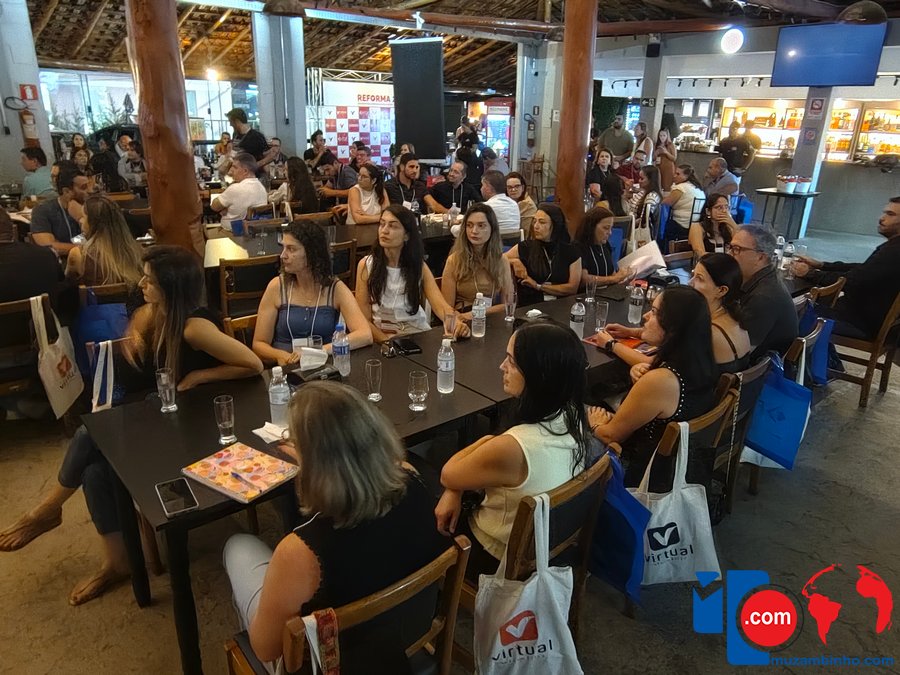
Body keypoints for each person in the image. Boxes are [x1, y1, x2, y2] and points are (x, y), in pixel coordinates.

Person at [0, 246, 263, 604]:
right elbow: (139, 331)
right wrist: (137, 329)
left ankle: (47, 510)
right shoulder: (156, 313)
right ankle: (117, 561)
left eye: (149, 280)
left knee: (90, 432)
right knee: (95, 470)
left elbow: (252, 364)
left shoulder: (194, 328)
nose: (141, 284)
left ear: (169, 286)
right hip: (167, 419)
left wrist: (201, 375)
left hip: (196, 434)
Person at [224, 381, 449, 667]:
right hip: (408, 633)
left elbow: (266, 648)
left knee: (237, 546)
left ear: (316, 465)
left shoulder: (299, 553)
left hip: (337, 665)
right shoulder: (413, 478)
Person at [434, 321, 592, 573]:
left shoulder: (514, 447)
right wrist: (456, 488)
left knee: (417, 489)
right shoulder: (572, 413)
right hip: (546, 545)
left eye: (511, 361)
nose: (502, 366)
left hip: (494, 555)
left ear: (537, 375)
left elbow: (448, 473)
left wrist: (487, 442)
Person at [589, 287, 717, 490]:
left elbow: (610, 436)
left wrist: (595, 424)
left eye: (655, 312)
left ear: (673, 328)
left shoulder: (661, 381)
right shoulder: (700, 361)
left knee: (579, 412)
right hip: (678, 464)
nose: (646, 316)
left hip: (642, 474)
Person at [600, 254, 751, 376]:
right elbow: (671, 336)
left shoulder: (708, 332)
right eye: (693, 275)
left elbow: (653, 364)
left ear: (721, 290)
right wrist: (631, 332)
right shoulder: (731, 318)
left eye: (699, 278)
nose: (690, 282)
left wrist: (611, 344)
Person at [253, 221, 372, 365]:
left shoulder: (335, 288)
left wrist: (320, 351)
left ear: (311, 253)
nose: (283, 255)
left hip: (323, 366)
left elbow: (365, 335)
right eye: (283, 248)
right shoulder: (277, 286)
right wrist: (281, 355)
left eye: (291, 249)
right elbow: (259, 343)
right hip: (285, 366)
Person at [356, 205, 469, 341]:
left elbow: (440, 305)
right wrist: (386, 342)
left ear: (406, 235)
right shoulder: (366, 265)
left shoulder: (418, 265)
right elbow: (363, 319)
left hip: (416, 330)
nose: (384, 230)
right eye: (382, 224)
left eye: (393, 226)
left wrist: (456, 322)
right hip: (383, 334)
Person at [793, 197, 900, 339]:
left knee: (787, 314)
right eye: (885, 212)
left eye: (890, 214)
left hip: (857, 322)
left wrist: (810, 274)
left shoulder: (893, 252)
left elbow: (851, 281)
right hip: (863, 317)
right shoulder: (893, 248)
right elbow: (864, 269)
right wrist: (822, 265)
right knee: (802, 305)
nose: (881, 218)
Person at [728, 225, 798, 359]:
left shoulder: (763, 297)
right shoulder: (765, 278)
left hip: (757, 366)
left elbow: (739, 353)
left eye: (737, 249)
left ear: (760, 257)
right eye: (730, 247)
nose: (729, 254)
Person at [441, 203, 513, 319]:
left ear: (492, 229)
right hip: (461, 317)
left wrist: (476, 314)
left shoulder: (502, 260)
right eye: (469, 225)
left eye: (481, 226)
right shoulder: (454, 261)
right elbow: (447, 309)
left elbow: (508, 305)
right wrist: (466, 317)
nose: (474, 231)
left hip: (491, 317)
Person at [504, 203, 581, 306]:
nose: (536, 226)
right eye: (534, 221)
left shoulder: (570, 250)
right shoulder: (525, 247)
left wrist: (538, 286)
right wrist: (514, 261)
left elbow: (572, 288)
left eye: (542, 222)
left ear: (555, 225)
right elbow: (497, 260)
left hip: (561, 304)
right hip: (530, 306)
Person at [64, 195, 143, 288]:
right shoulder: (138, 250)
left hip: (94, 298)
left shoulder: (78, 254)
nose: (80, 221)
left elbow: (69, 283)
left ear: (93, 223)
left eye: (83, 217)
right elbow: (80, 239)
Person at [30, 166, 89, 256]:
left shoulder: (93, 208)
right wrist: (86, 248)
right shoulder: (43, 210)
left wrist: (81, 218)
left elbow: (102, 242)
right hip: (59, 263)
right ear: (66, 191)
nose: (89, 191)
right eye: (84, 188)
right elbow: (49, 247)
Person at [574, 207, 632, 288]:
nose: (610, 233)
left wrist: (624, 278)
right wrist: (615, 279)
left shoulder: (605, 245)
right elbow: (584, 280)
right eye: (606, 228)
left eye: (611, 228)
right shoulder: (578, 247)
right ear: (592, 227)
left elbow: (613, 274)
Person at [210, 152, 268, 229]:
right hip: (256, 232)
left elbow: (214, 207)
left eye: (235, 167)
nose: (231, 171)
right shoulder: (262, 188)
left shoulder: (235, 189)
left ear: (245, 171)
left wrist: (225, 208)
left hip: (231, 233)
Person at [661, 163, 706, 242]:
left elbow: (666, 203)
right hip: (695, 224)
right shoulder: (699, 189)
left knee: (660, 224)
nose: (674, 176)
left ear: (686, 176)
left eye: (678, 174)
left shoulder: (681, 188)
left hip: (681, 225)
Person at [225, 108, 276, 173]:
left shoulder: (257, 137)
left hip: (251, 174)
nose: (230, 125)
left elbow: (267, 157)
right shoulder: (235, 134)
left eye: (231, 122)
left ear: (237, 121)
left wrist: (252, 167)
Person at [690, 193, 738, 259]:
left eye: (726, 207)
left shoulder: (728, 227)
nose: (724, 211)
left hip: (726, 263)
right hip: (706, 263)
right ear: (708, 211)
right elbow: (700, 253)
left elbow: (742, 247)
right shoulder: (697, 227)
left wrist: (733, 224)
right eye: (719, 207)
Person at [475, 169, 520, 237]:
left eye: (482, 185)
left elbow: (471, 229)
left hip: (492, 243)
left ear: (488, 187)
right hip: (514, 243)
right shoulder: (514, 204)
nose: (480, 189)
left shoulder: (485, 207)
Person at [506, 171, 537, 238]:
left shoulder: (528, 204)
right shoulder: (506, 203)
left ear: (522, 188)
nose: (513, 190)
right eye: (510, 187)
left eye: (517, 186)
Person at [654, 128, 678, 192]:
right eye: (660, 135)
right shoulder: (657, 144)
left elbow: (674, 158)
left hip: (668, 168)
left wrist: (666, 152)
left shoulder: (671, 145)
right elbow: (653, 158)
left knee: (667, 186)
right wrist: (656, 153)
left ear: (667, 136)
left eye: (664, 135)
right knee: (658, 185)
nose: (662, 137)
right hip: (659, 167)